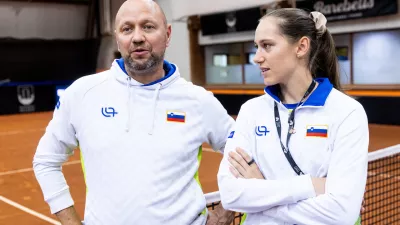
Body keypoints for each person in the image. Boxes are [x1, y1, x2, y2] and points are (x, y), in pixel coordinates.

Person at [32, 0, 235, 224]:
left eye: (148, 26)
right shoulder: (82, 93)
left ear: (167, 34)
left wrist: (227, 209)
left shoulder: (198, 100)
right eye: (127, 29)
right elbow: (45, 160)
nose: (137, 37)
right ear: (118, 38)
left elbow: (245, 151)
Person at [217, 8, 369, 225]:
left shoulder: (347, 112)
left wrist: (261, 195)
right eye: (257, 47)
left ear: (301, 47)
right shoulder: (251, 111)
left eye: (267, 46)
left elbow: (341, 213)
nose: (257, 57)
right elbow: (231, 194)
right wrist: (311, 186)